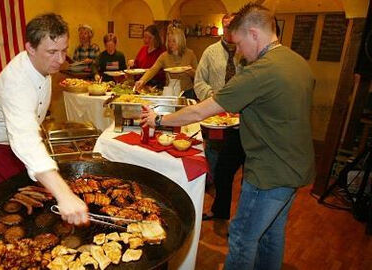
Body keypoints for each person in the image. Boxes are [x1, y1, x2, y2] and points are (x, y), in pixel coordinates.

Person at [141, 3, 315, 269]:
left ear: (254, 33)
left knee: (243, 239)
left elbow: (201, 110)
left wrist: (160, 119)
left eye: (239, 43)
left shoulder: (260, 71)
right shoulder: (297, 61)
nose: (238, 52)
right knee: (271, 236)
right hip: (297, 168)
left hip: (268, 174)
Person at [0, 13, 89, 226]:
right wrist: (64, 194)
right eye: (52, 52)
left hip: (16, 141)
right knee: (12, 203)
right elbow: (24, 138)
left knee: (34, 192)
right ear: (30, 48)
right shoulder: (17, 82)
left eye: (64, 50)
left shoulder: (43, 64)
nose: (61, 60)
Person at [194, 13, 245, 221]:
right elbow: (199, 81)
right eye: (225, 27)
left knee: (236, 172)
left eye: (232, 26)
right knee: (215, 162)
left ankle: (238, 216)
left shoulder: (246, 53)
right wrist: (214, 98)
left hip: (241, 119)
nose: (228, 31)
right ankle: (217, 205)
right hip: (215, 117)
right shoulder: (210, 52)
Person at [135, 27, 197, 98]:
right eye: (169, 41)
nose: (171, 44)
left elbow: (198, 75)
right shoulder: (164, 56)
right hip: (170, 91)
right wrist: (142, 80)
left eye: (174, 41)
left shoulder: (190, 54)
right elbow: (153, 69)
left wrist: (190, 71)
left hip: (187, 92)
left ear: (180, 41)